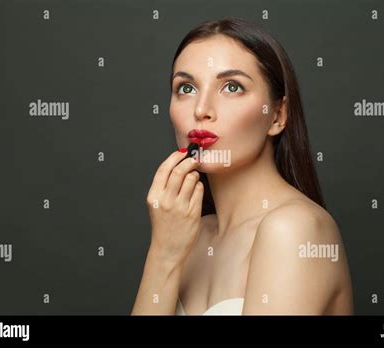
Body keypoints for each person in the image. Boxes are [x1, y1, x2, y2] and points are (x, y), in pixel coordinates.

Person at [132, 17, 353, 315]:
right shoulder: (187, 235)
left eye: (232, 87)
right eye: (186, 88)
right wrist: (163, 254)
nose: (201, 109)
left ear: (277, 115)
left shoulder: (293, 230)